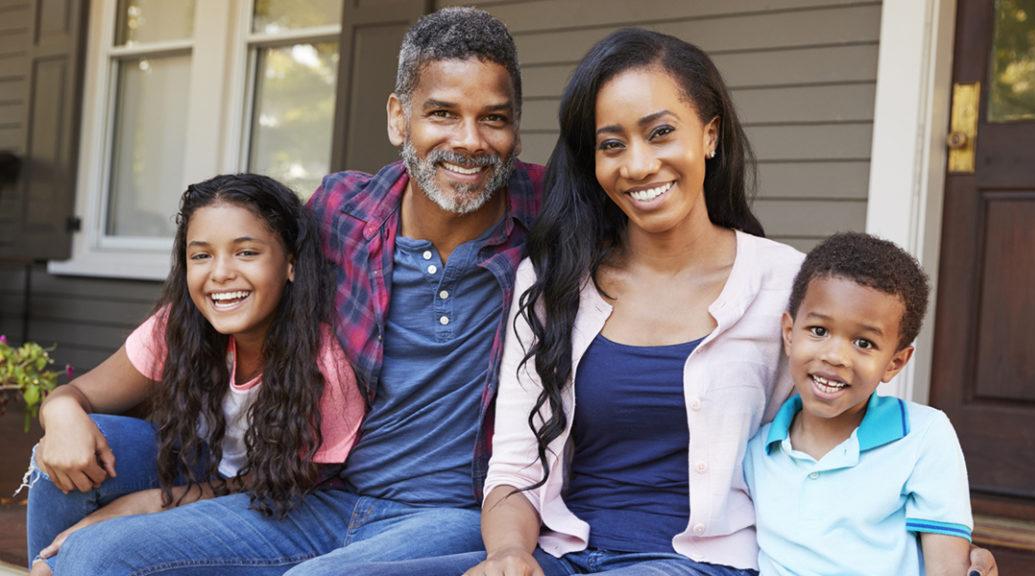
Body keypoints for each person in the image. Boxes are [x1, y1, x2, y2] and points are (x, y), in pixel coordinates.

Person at [336, 28, 998, 576]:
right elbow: (514, 465)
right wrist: (510, 554)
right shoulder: (555, 278)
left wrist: (936, 551)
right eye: (612, 144)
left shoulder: (782, 287)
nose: (638, 165)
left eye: (661, 133)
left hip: (693, 563)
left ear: (708, 135)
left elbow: (841, 423)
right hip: (560, 554)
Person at [29, 7, 543, 576]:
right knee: (94, 553)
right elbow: (227, 286)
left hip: (450, 514)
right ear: (399, 118)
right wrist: (65, 405)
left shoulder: (555, 221)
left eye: (493, 118)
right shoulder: (340, 216)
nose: (468, 142)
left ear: (516, 125)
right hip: (317, 496)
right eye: (442, 113)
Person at [25, 174, 365, 575]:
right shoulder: (178, 328)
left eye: (246, 252)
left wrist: (153, 502)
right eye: (201, 255)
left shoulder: (324, 361)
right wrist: (61, 414)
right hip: (199, 464)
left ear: (290, 263)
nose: (220, 273)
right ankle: (46, 566)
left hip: (281, 501)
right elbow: (77, 393)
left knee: (103, 553)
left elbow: (296, 484)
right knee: (68, 449)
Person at [744, 232, 972, 576]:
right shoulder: (756, 451)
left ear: (895, 363)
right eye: (819, 331)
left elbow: (948, 567)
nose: (835, 356)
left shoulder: (923, 437)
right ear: (790, 334)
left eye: (863, 342)